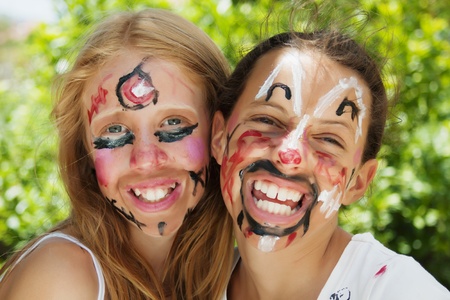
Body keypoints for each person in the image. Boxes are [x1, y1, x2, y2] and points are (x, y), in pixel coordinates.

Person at [0, 8, 234, 300]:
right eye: (114, 130)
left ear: (219, 134)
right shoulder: (62, 277)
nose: (146, 158)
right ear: (84, 149)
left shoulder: (235, 274)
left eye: (174, 123)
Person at [211, 30, 450, 299]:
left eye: (328, 139)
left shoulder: (398, 290)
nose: (290, 155)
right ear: (220, 137)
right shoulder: (191, 285)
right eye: (267, 120)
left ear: (358, 182)